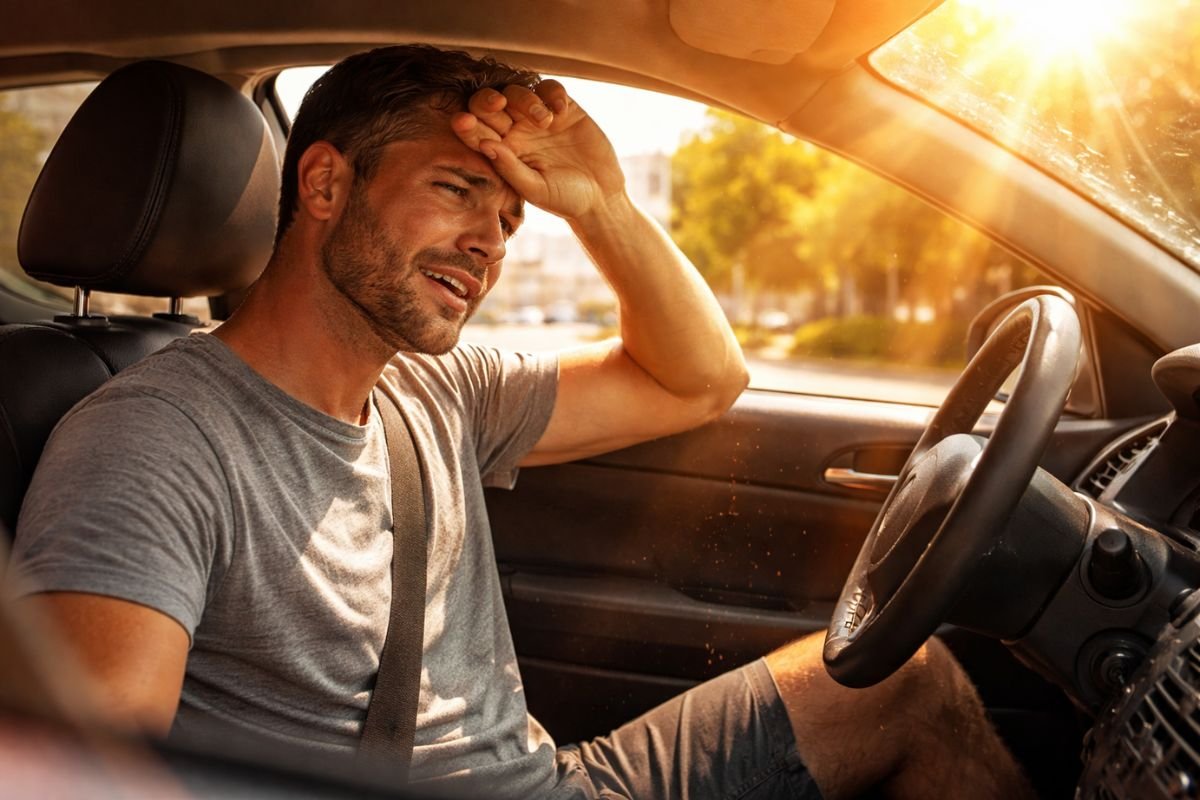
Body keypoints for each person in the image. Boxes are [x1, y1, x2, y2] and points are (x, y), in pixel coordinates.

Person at [10, 45, 1033, 799]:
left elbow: (699, 378)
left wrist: (603, 207)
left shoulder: (432, 387)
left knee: (908, 680)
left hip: (554, 776)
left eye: (509, 218)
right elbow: (94, 773)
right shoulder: (148, 442)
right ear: (323, 182)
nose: (487, 246)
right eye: (457, 190)